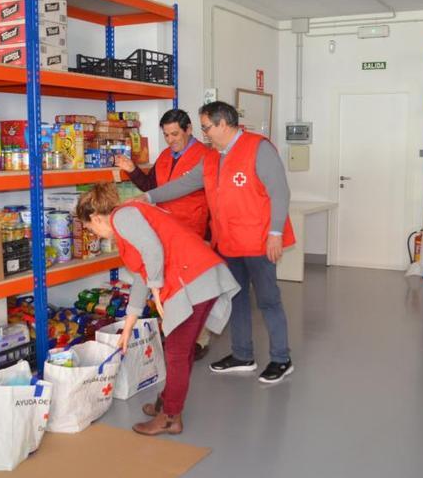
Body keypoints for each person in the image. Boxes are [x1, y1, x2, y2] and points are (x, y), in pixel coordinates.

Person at [141, 101, 296, 384]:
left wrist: (275, 233)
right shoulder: (213, 157)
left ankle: (281, 359)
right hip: (229, 242)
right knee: (235, 297)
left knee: (267, 300)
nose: (205, 134)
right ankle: (242, 355)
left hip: (260, 242)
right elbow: (185, 184)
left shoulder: (258, 148)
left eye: (207, 128)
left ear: (223, 123)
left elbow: (280, 192)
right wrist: (149, 197)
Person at [77, 183, 240, 435]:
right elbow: (143, 274)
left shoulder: (123, 217)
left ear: (96, 217)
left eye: (90, 228)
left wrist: (157, 292)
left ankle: (170, 417)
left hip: (195, 279)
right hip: (196, 276)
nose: (93, 234)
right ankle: (167, 402)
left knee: (176, 351)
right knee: (180, 349)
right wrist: (128, 326)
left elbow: (154, 252)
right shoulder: (126, 225)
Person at [115, 108, 214, 360]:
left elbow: (211, 196)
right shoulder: (165, 157)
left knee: (193, 290)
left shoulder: (205, 156)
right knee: (171, 289)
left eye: (175, 134)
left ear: (188, 130)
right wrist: (132, 170)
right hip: (164, 231)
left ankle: (199, 340)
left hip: (193, 231)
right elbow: (152, 187)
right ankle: (177, 337)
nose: (171, 140)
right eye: (166, 135)